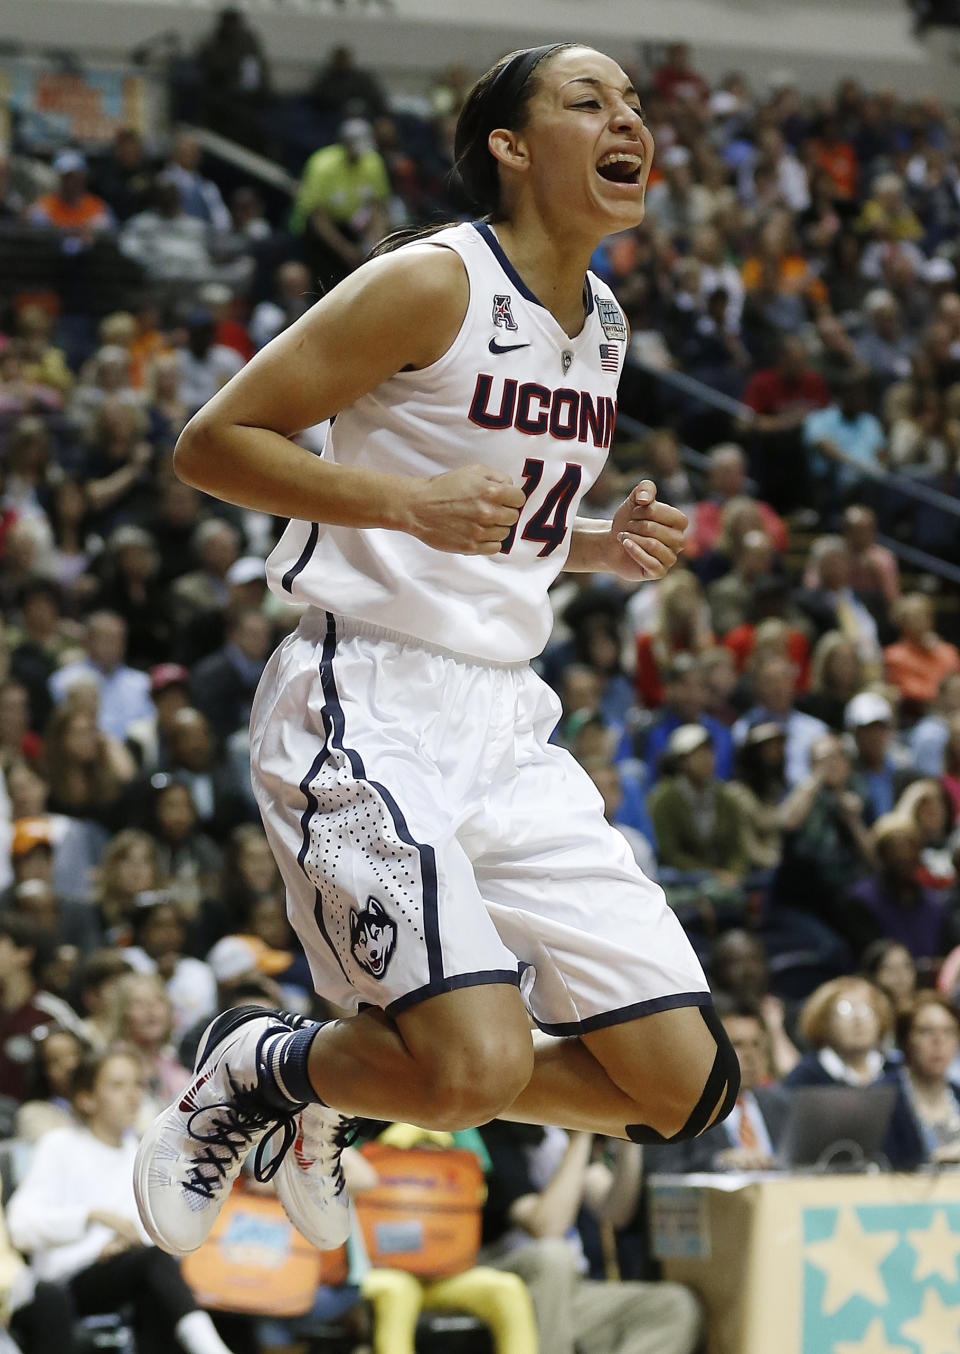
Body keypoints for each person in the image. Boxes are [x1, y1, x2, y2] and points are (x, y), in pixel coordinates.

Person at [134, 44, 738, 1261]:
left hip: (505, 717)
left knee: (685, 1089)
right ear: (510, 148)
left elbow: (489, 509)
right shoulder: (432, 281)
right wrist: (399, 508)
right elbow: (212, 443)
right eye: (588, 101)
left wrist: (592, 542)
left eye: (633, 104)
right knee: (473, 1068)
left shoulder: (605, 325)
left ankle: (345, 1086)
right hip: (366, 695)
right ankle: (272, 1064)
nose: (627, 119)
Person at [7, 1046, 238, 1354]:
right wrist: (91, 1219)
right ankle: (210, 1348)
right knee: (152, 1263)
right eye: (118, 1086)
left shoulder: (143, 1154)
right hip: (65, 1281)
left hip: (127, 1271)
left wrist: (124, 1246)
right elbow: (21, 1226)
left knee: (157, 1272)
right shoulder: (58, 1146)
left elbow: (164, 1235)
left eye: (138, 1085)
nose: (132, 1096)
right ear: (86, 1098)